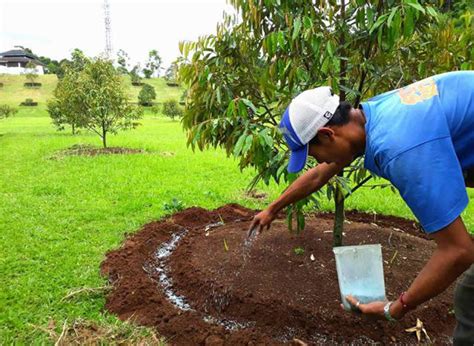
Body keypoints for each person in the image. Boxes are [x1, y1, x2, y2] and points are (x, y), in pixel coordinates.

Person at [250, 71, 474, 344]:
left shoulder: (399, 148)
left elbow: (458, 251)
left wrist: (396, 308)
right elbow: (323, 173)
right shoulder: (375, 114)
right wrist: (273, 208)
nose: (317, 161)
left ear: (327, 134)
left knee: (470, 296)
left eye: (314, 153)